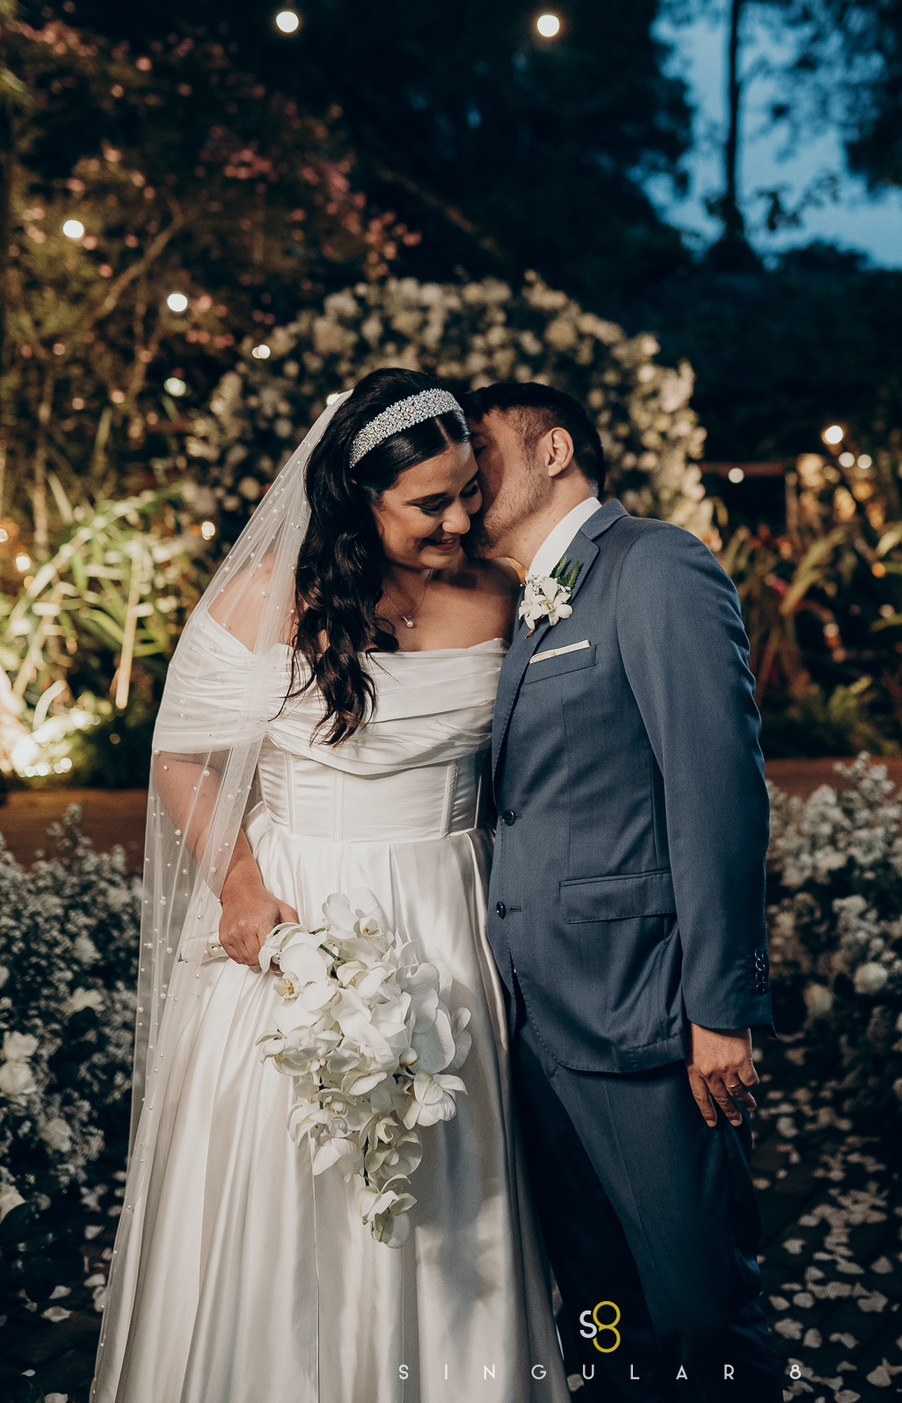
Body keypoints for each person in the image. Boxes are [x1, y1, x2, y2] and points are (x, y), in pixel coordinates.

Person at [92, 371, 570, 1403]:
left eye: (466, 494)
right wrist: (242, 887)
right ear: (357, 499)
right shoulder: (269, 599)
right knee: (284, 1176)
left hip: (448, 908)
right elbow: (185, 756)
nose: (460, 519)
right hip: (299, 917)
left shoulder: (500, 594)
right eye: (430, 503)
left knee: (453, 1176)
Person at [465, 381, 782, 1403]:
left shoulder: (655, 566)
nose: (466, 473)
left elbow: (717, 794)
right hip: (537, 1027)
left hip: (643, 1019)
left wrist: (720, 1010)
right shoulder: (519, 608)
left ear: (554, 449)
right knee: (601, 1311)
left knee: (699, 1309)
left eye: (484, 449)